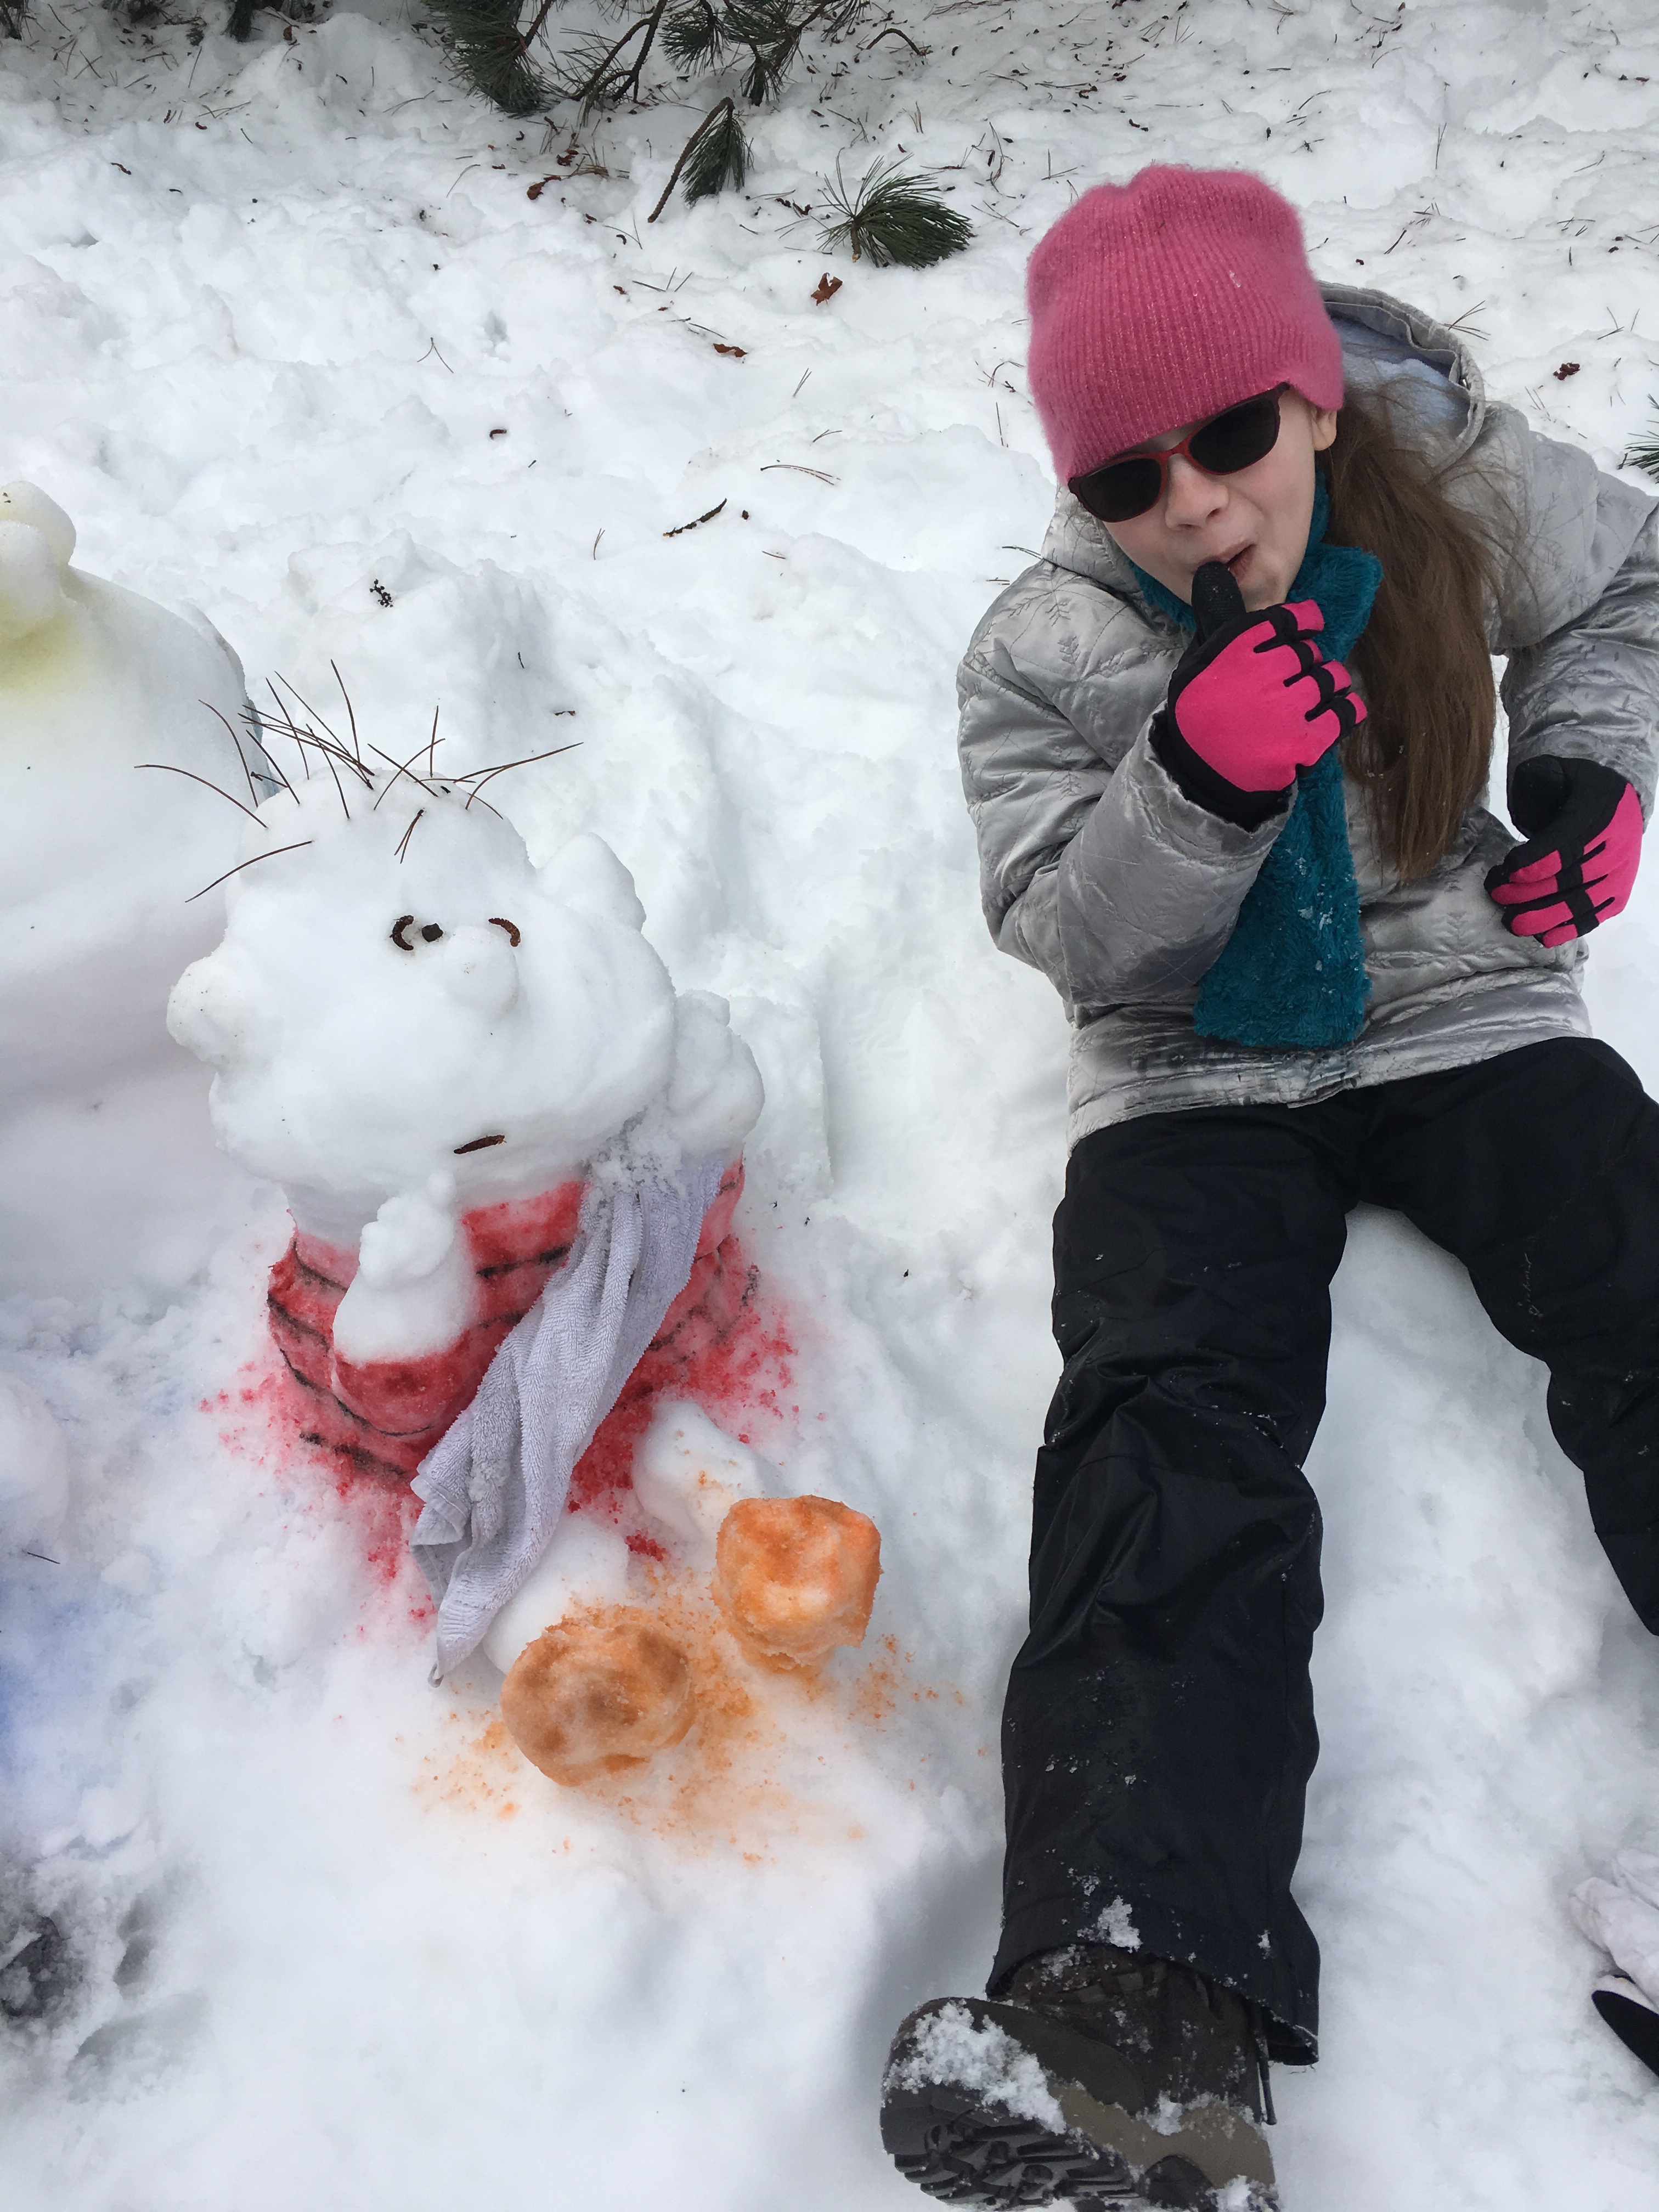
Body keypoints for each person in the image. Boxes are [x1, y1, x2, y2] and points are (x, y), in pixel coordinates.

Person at [878, 166, 1659, 2212]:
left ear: (1314, 398)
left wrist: (1591, 772)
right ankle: (1139, 2021)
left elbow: (1628, 587)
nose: (1197, 503)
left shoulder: (1464, 481)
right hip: (1191, 1063)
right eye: (1131, 474)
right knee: (1167, 1419)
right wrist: (1195, 789)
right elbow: (1071, 933)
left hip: (1462, 990)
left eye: (1231, 436)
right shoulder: (1048, 645)